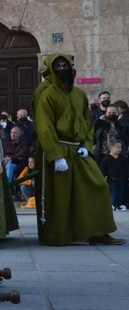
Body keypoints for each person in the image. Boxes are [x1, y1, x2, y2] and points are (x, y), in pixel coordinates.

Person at [32, 54, 124, 246]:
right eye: (58, 66)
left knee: (97, 185)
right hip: (57, 149)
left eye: (66, 65)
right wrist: (56, 156)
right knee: (61, 195)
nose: (62, 69)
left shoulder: (79, 95)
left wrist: (86, 146)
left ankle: (98, 232)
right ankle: (59, 235)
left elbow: (88, 124)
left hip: (77, 149)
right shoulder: (46, 93)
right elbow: (44, 126)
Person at [99, 140, 128, 212]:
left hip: (121, 178)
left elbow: (126, 168)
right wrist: (104, 175)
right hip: (111, 179)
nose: (119, 149)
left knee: (120, 192)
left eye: (120, 147)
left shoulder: (122, 158)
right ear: (111, 148)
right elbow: (103, 168)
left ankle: (119, 204)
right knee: (114, 192)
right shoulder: (107, 158)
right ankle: (113, 204)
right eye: (117, 147)